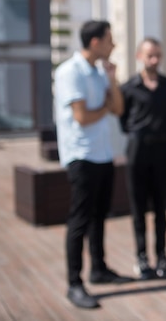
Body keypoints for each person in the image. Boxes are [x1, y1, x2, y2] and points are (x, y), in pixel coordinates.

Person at [54, 20, 131, 309]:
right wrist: (105, 106)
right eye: (110, 40)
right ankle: (74, 283)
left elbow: (119, 109)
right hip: (81, 156)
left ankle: (98, 269)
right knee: (80, 220)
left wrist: (112, 79)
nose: (113, 45)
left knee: (100, 216)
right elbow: (82, 117)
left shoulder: (100, 72)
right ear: (96, 42)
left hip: (103, 154)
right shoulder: (68, 72)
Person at [119, 37, 166, 280]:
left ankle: (162, 256)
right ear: (139, 56)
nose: (154, 60)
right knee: (138, 208)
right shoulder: (128, 87)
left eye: (157, 55)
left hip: (163, 149)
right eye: (149, 55)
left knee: (161, 207)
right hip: (137, 150)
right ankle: (142, 257)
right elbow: (123, 122)